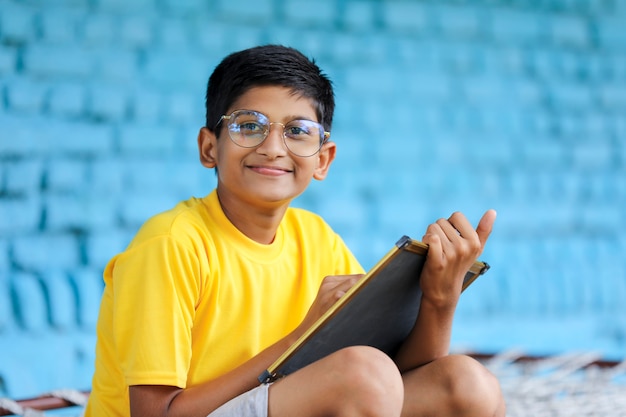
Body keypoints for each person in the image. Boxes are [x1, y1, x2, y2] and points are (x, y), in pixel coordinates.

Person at [84, 44, 505, 417]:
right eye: (249, 125)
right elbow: (156, 413)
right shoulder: (171, 244)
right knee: (362, 374)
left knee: (466, 383)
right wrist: (301, 335)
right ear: (209, 147)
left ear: (323, 159)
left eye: (297, 131)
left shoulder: (316, 239)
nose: (272, 147)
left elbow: (399, 377)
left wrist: (439, 298)